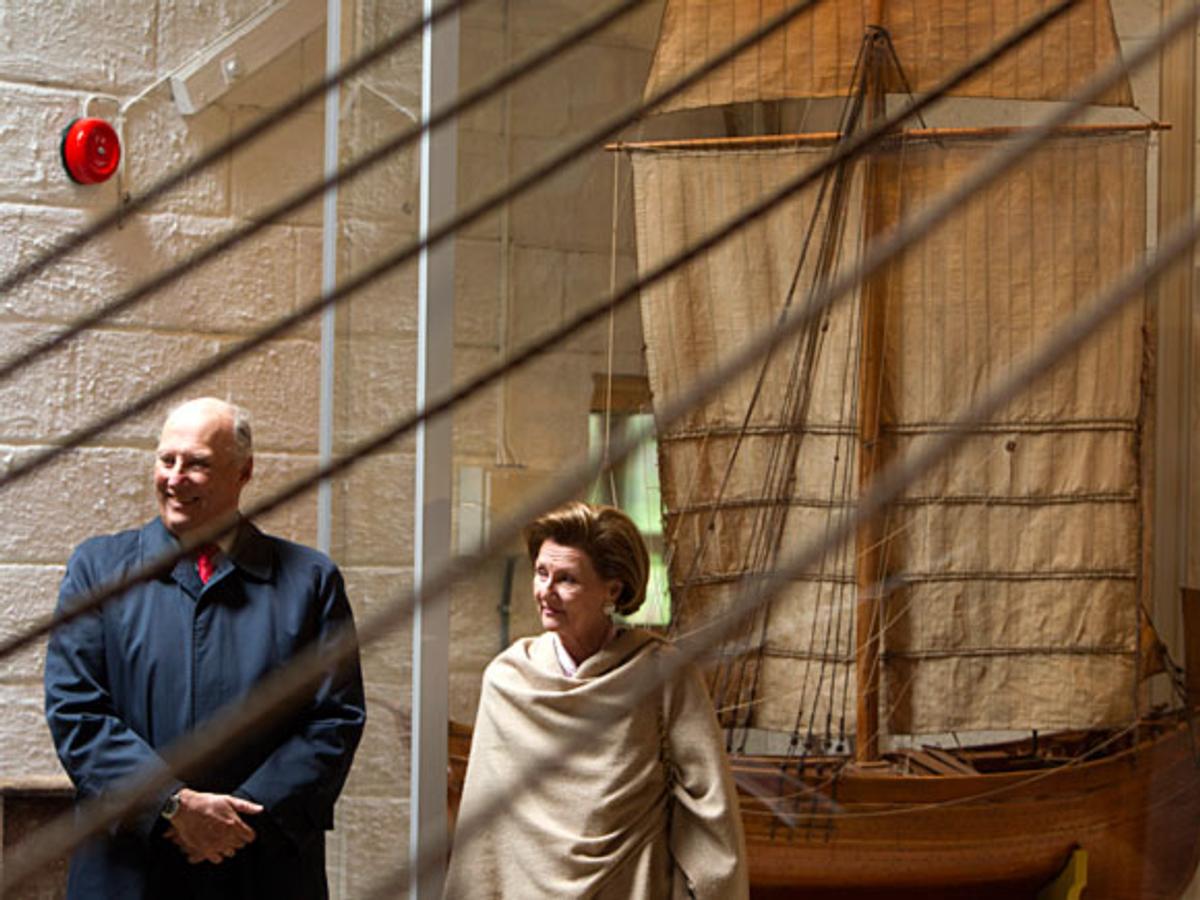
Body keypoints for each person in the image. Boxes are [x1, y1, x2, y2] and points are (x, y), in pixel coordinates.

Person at [44, 397, 366, 900]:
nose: (175, 478)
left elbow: (334, 721)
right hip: (129, 869)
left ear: (245, 472)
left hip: (261, 867)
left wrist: (236, 820)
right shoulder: (97, 570)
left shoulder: (310, 581)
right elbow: (77, 711)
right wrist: (170, 805)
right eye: (166, 459)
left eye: (197, 463)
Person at [444, 501, 748, 899]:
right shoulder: (507, 681)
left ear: (613, 589)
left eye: (566, 579)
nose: (546, 591)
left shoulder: (662, 675)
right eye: (541, 573)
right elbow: (482, 830)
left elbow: (711, 810)